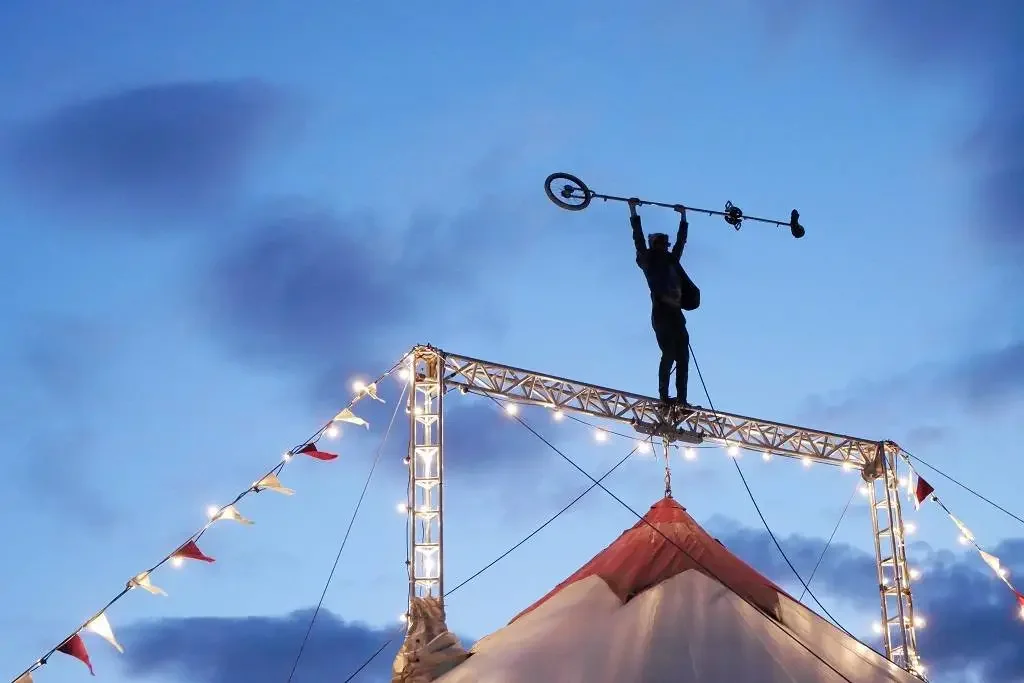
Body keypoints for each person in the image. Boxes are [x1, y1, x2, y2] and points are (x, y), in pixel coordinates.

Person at [629, 198, 700, 407]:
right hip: (661, 314)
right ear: (655, 244)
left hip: (676, 314)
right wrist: (632, 211)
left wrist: (684, 217)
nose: (665, 247)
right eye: (661, 243)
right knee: (669, 353)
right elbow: (637, 239)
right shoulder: (648, 260)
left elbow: (681, 243)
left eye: (665, 244)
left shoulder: (671, 260)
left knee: (683, 359)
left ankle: (682, 400)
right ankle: (664, 397)